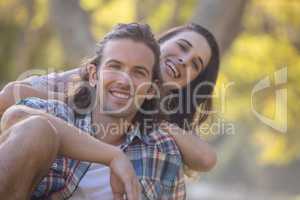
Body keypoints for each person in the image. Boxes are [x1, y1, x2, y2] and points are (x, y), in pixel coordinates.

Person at [0, 23, 185, 199]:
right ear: (94, 75)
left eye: (138, 72)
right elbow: (15, 115)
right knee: (37, 129)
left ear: (152, 89)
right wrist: (112, 155)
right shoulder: (58, 114)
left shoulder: (163, 151)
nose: (124, 80)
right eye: (115, 66)